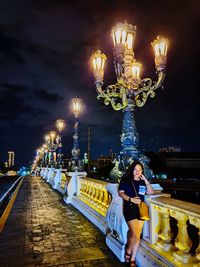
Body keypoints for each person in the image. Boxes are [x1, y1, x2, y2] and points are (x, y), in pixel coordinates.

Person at [118, 161, 154, 267]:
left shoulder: (143, 182)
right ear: (132, 170)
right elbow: (120, 193)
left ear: (142, 171)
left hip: (140, 210)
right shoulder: (126, 180)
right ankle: (128, 250)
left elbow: (151, 192)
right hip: (129, 208)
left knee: (135, 234)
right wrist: (131, 199)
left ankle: (132, 259)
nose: (138, 172)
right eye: (135, 169)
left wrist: (146, 180)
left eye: (140, 170)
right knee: (136, 234)